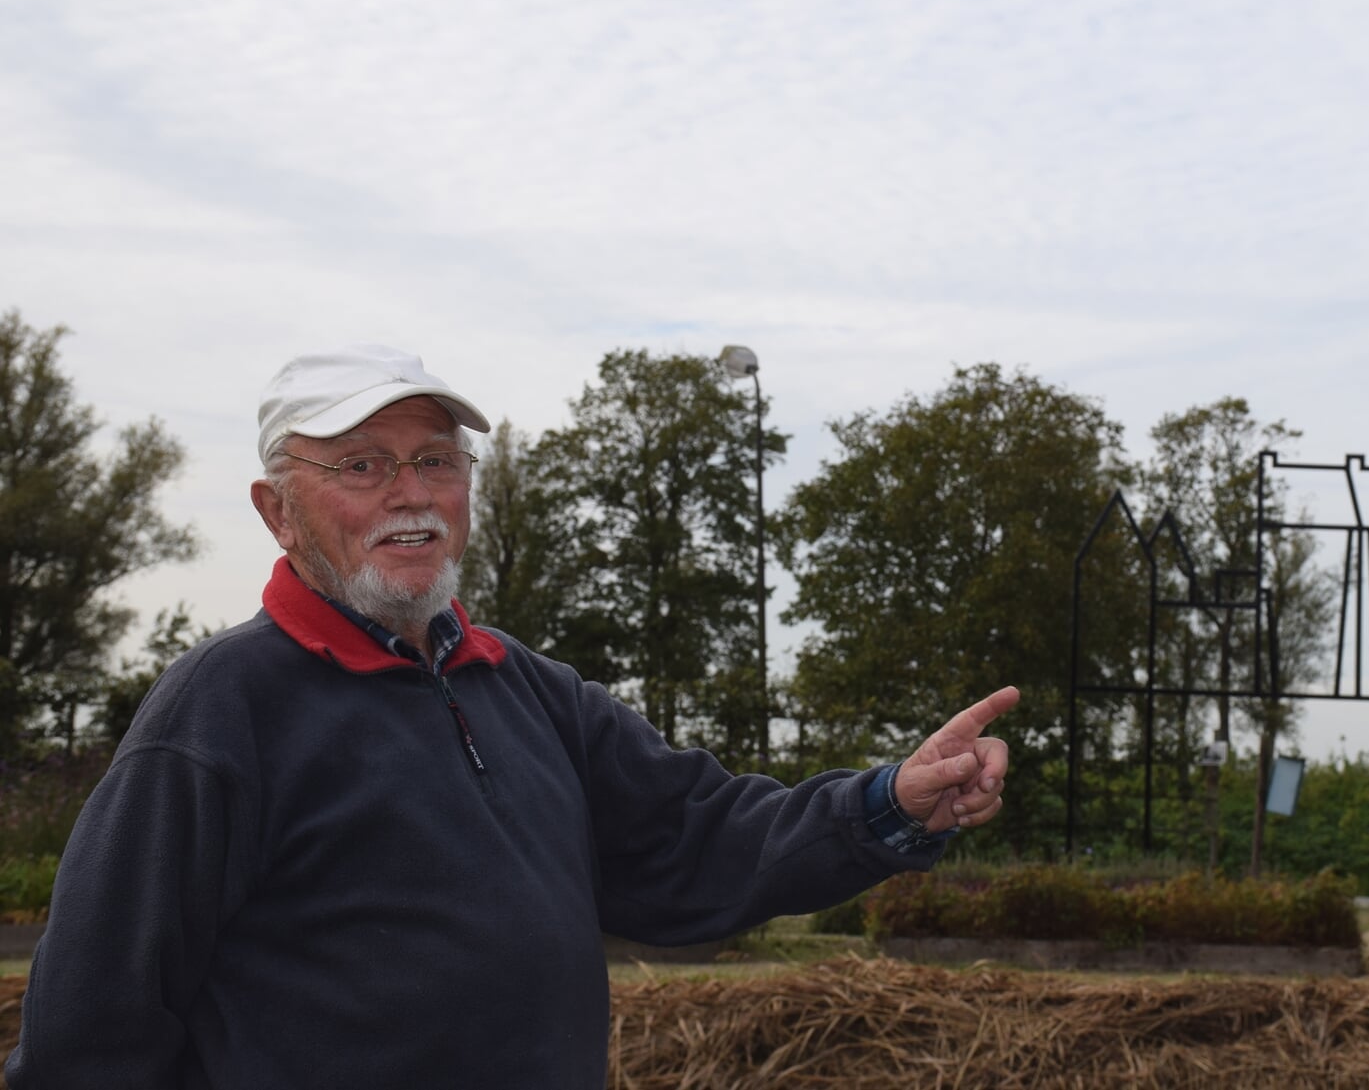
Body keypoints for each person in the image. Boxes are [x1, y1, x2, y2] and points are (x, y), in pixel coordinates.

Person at [5, 346, 1015, 1090]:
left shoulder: (527, 690)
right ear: (278, 511)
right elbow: (92, 1028)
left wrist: (890, 803)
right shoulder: (220, 712)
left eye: (437, 462)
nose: (413, 495)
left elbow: (695, 842)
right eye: (362, 466)